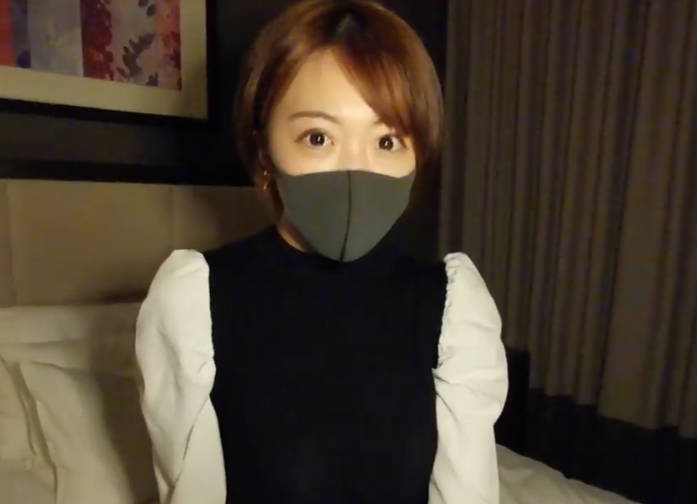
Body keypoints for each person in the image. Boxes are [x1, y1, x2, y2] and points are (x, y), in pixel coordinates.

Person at [135, 1, 508, 503]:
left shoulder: (451, 307)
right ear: (265, 150)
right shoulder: (196, 302)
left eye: (388, 141)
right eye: (318, 137)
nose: (356, 170)